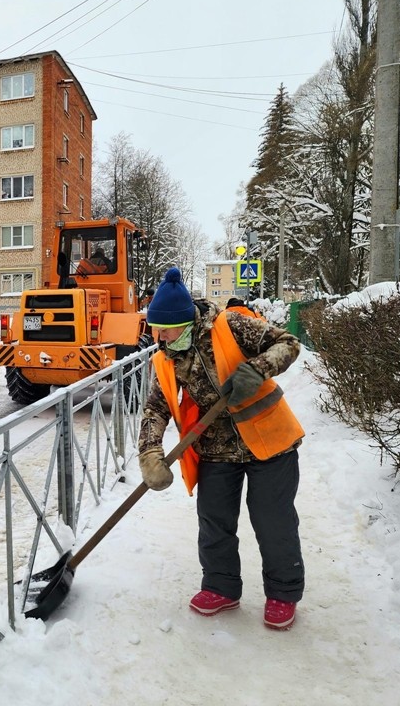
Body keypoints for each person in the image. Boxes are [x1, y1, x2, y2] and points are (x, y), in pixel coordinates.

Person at [138, 267, 305, 630]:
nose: (159, 337)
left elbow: (289, 343)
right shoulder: (165, 357)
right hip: (215, 449)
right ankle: (221, 586)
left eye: (165, 330)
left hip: (270, 442)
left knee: (272, 520)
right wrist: (150, 452)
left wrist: (258, 369)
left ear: (185, 323)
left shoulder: (230, 326)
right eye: (155, 330)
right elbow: (155, 406)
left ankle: (283, 592)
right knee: (214, 522)